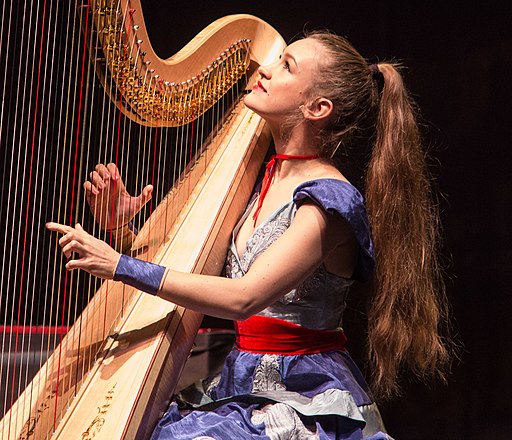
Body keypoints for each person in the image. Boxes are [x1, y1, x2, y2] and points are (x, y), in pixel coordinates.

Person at [47, 30, 450, 439]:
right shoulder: (266, 178)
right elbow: (188, 274)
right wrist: (122, 231)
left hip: (298, 392)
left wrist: (118, 265)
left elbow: (243, 298)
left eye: (286, 65)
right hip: (241, 378)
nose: (266, 69)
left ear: (317, 107)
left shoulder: (328, 204)